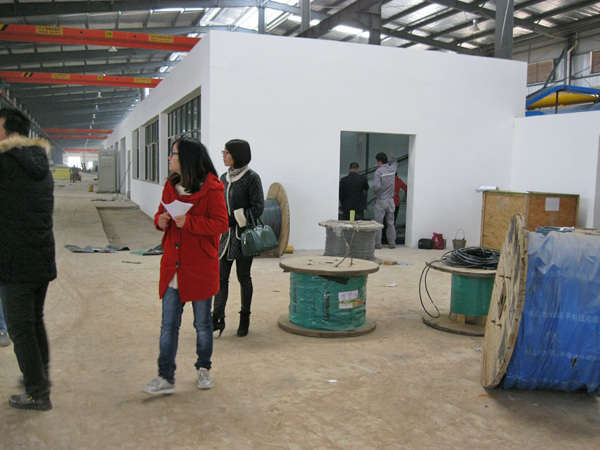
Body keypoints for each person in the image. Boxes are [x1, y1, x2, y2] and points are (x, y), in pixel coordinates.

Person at [142, 138, 228, 396]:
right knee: (169, 325)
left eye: (173, 153)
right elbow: (160, 214)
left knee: (202, 325)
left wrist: (189, 222)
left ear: (187, 159)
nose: (169, 157)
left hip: (200, 267)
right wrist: (161, 221)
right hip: (173, 266)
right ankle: (165, 376)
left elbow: (221, 224)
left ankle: (203, 368)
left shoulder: (212, 189)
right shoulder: (171, 185)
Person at [0, 108, 56, 411]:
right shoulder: (39, 162)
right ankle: (40, 377)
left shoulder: (5, 163)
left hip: (14, 261)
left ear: (11, 134)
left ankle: (38, 393)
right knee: (34, 321)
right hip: (40, 257)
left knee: (20, 329)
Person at [213, 139, 264, 338]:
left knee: (243, 277)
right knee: (220, 278)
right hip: (226, 237)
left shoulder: (252, 178)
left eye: (226, 152)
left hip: (244, 237)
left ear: (237, 154)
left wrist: (232, 219)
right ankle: (217, 317)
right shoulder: (223, 178)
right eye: (223, 152)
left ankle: (244, 318)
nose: (223, 155)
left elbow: (258, 207)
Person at [373, 151, 398, 249]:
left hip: (381, 200)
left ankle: (378, 244)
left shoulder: (378, 172)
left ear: (379, 162)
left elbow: (376, 186)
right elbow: (395, 163)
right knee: (390, 223)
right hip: (391, 200)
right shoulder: (392, 169)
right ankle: (392, 243)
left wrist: (376, 193)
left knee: (378, 224)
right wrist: (392, 155)